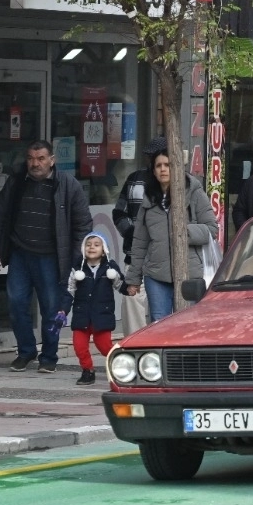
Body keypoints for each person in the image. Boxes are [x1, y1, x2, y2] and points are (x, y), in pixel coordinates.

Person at [0, 140, 92, 373]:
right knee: (16, 304)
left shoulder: (67, 185)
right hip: (20, 255)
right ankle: (26, 351)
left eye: (41, 158)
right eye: (31, 158)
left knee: (51, 309)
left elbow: (83, 224)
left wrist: (77, 258)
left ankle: (49, 356)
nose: (35, 163)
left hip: (51, 258)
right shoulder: (16, 182)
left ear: (52, 160)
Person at [125, 150, 219, 322]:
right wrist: (134, 278)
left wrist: (185, 232)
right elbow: (139, 242)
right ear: (153, 171)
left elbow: (212, 229)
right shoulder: (149, 199)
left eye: (168, 165)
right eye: (158, 166)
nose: (163, 169)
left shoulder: (194, 192)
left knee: (188, 323)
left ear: (177, 168)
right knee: (159, 323)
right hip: (156, 275)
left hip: (189, 274)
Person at [59, 232, 123, 386]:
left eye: (96, 245)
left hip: (102, 315)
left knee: (105, 346)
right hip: (82, 314)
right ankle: (87, 370)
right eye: (88, 245)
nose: (91, 247)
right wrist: (63, 311)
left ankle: (121, 367)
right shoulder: (78, 268)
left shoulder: (110, 267)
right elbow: (69, 290)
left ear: (104, 249)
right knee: (79, 346)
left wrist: (129, 287)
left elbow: (121, 285)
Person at [112, 136, 168, 265]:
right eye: (148, 156)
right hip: (134, 255)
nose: (149, 160)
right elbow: (119, 212)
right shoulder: (135, 178)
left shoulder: (179, 182)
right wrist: (132, 233)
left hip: (165, 259)